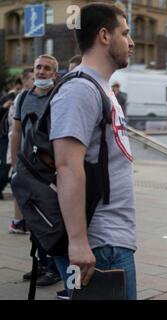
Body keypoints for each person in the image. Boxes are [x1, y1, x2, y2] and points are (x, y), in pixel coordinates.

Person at [50, 3, 137, 300]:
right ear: (104, 36)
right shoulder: (80, 90)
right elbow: (66, 166)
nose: (131, 42)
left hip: (111, 239)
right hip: (99, 243)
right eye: (124, 34)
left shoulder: (101, 89)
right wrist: (78, 242)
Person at [10, 55, 62, 287]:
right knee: (33, 221)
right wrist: (14, 166)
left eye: (47, 68)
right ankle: (41, 264)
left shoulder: (59, 98)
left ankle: (55, 268)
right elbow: (17, 132)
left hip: (49, 172)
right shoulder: (23, 99)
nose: (41, 72)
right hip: (26, 169)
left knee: (51, 221)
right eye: (38, 67)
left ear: (54, 74)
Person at [7, 68, 34, 234]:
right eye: (32, 78)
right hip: (20, 150)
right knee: (19, 185)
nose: (35, 81)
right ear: (24, 81)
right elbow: (16, 129)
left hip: (26, 150)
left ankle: (23, 221)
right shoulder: (22, 98)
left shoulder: (30, 97)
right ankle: (18, 222)